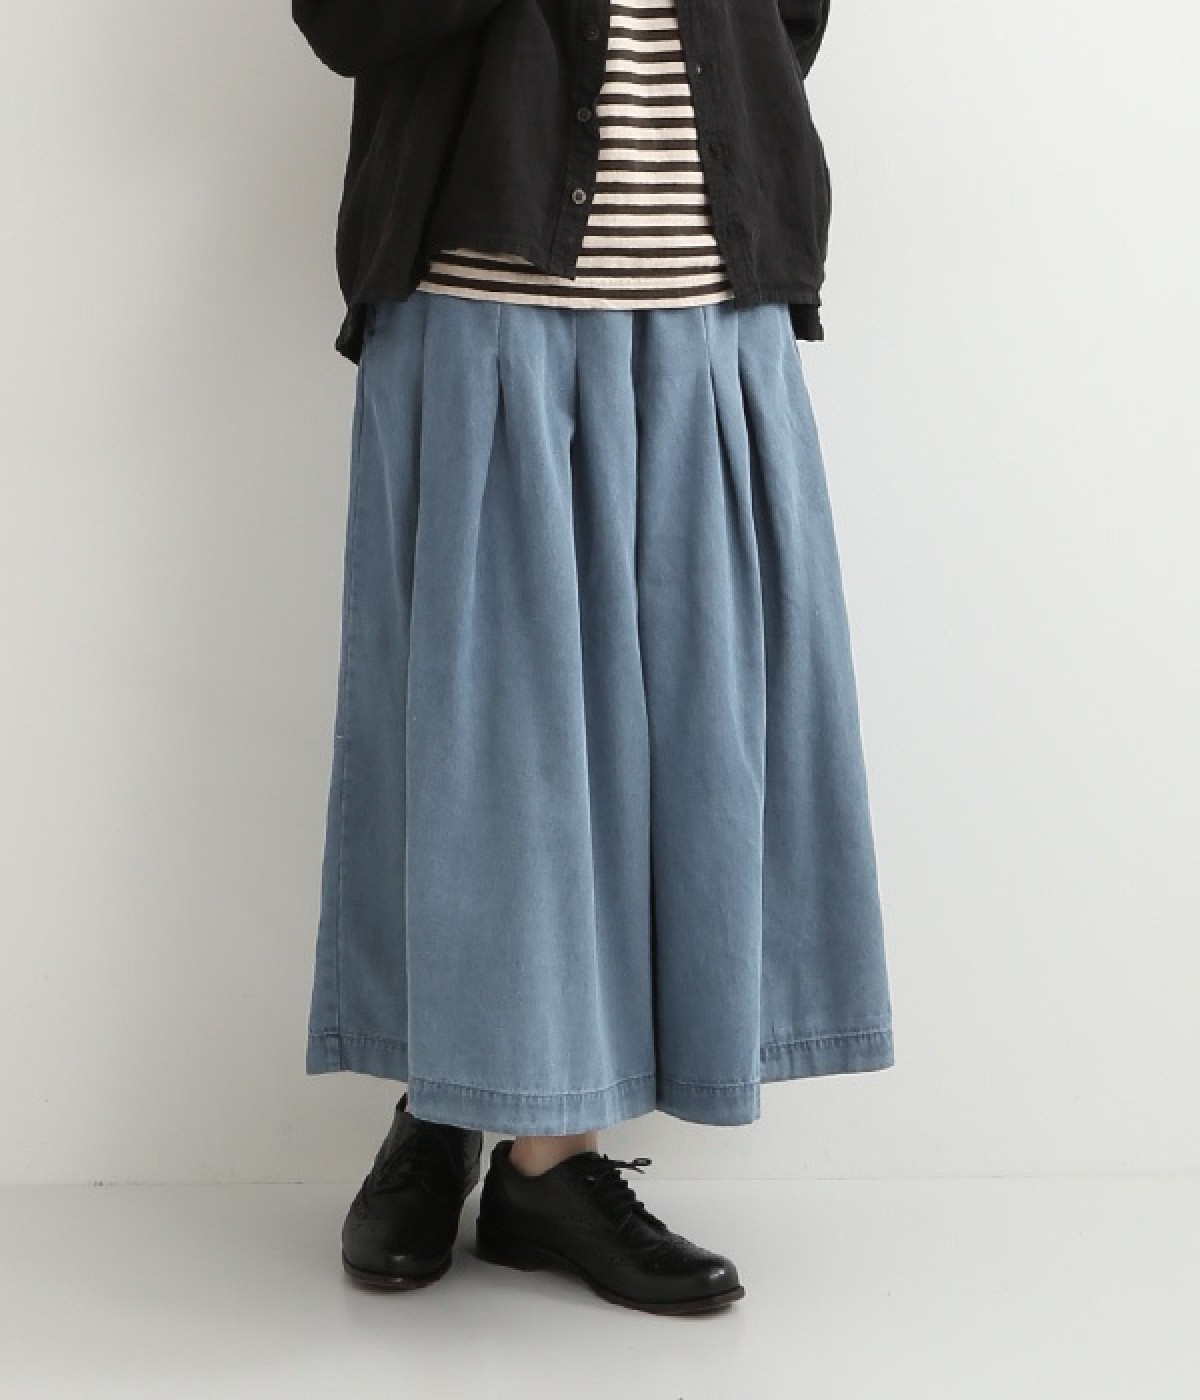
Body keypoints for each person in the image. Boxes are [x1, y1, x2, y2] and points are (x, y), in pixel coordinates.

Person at [292, 0, 894, 1316]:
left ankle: (513, 1143)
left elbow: (787, 18)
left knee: (700, 743)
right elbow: (346, 19)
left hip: (711, 304)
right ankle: (483, 1117)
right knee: (490, 754)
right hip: (481, 292)